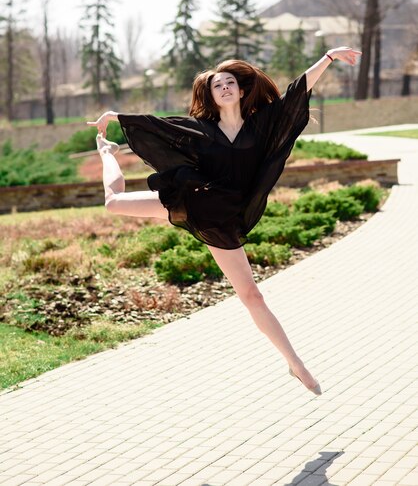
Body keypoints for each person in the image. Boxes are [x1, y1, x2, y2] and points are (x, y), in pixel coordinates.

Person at [87, 46, 361, 395]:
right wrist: (116, 117)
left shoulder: (260, 126)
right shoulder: (201, 130)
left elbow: (296, 93)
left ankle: (295, 364)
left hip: (225, 219)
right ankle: (107, 153)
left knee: (251, 295)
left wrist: (328, 56)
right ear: (212, 95)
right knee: (112, 202)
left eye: (230, 83)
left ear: (242, 90)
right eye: (218, 86)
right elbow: (156, 125)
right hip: (193, 200)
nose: (226, 88)